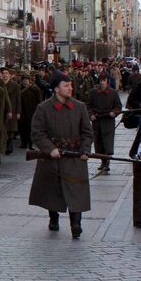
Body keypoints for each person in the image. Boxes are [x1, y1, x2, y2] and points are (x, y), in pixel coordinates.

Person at [28, 73, 93, 238]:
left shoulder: (79, 107)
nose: (70, 88)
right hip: (53, 157)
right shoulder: (43, 108)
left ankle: (76, 224)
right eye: (66, 85)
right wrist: (50, 149)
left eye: (71, 85)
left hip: (75, 157)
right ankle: (53, 218)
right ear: (56, 89)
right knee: (53, 190)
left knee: (76, 190)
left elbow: (87, 132)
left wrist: (85, 149)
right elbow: (37, 133)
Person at [85, 73, 122, 173]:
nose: (102, 82)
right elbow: (88, 105)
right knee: (99, 142)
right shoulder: (93, 92)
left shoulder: (113, 92)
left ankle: (107, 163)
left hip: (108, 121)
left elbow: (118, 106)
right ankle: (102, 161)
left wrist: (114, 113)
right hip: (97, 120)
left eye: (104, 80)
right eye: (101, 80)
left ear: (107, 81)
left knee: (108, 143)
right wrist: (90, 115)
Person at [19, 72, 42, 149]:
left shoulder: (35, 89)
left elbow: (39, 100)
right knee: (22, 128)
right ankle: (23, 143)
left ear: (29, 80)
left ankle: (30, 143)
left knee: (31, 128)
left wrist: (38, 111)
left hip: (32, 111)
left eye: (27, 79)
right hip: (22, 111)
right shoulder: (19, 89)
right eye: (24, 79)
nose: (25, 81)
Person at [2, 68, 22, 154]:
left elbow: (18, 99)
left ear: (10, 75)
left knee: (11, 129)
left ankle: (9, 146)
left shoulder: (15, 85)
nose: (5, 75)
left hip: (13, 108)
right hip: (3, 110)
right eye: (3, 73)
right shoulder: (0, 84)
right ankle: (5, 145)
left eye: (6, 73)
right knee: (4, 128)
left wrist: (18, 112)